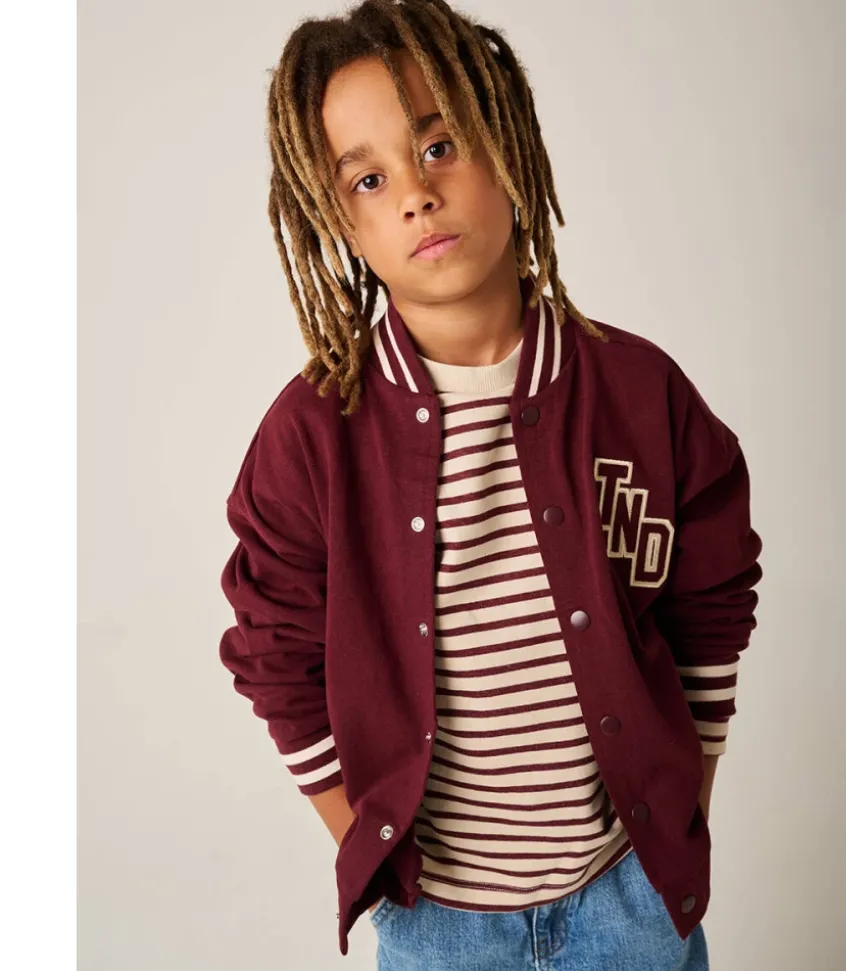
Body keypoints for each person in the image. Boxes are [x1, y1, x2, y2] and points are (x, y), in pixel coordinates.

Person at [218, 1, 763, 967]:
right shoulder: (311, 437)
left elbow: (710, 599)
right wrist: (368, 840)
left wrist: (678, 814)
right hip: (440, 925)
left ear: (506, 145)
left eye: (439, 146)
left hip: (630, 898)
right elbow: (275, 652)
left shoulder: (639, 392)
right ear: (340, 220)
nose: (417, 196)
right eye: (371, 178)